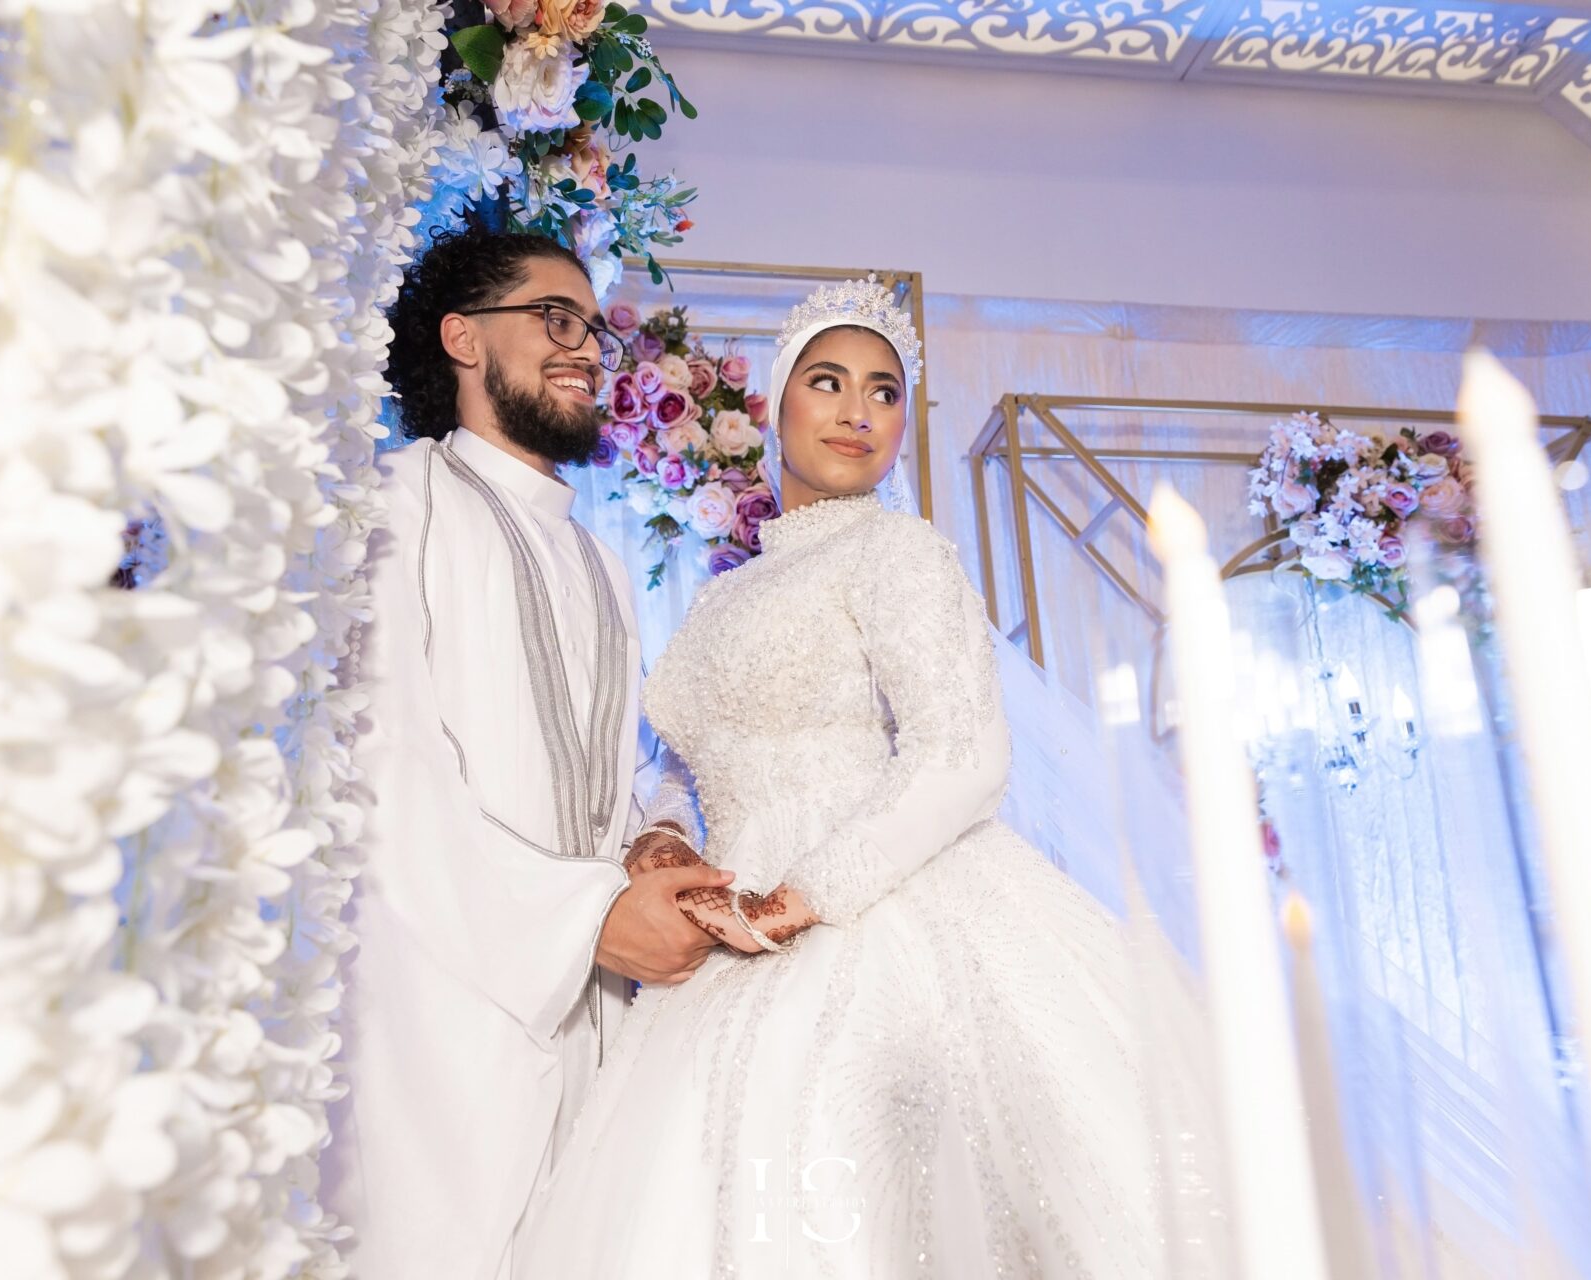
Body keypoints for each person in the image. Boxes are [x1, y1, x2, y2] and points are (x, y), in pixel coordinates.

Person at [513, 279, 1234, 1277]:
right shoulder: (722, 596)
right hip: (725, 923)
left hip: (872, 902)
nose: (858, 410)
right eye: (829, 381)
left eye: (884, 392)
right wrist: (664, 837)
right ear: (776, 406)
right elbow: (689, 754)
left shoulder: (897, 548)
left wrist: (804, 895)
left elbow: (964, 753)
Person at [320, 226, 736, 1280]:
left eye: (593, 329)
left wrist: (649, 843)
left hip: (596, 1015)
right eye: (555, 319)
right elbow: (383, 768)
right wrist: (588, 917)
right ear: (463, 337)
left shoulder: (597, 560)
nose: (585, 348)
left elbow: (606, 771)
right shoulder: (396, 502)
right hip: (442, 1019)